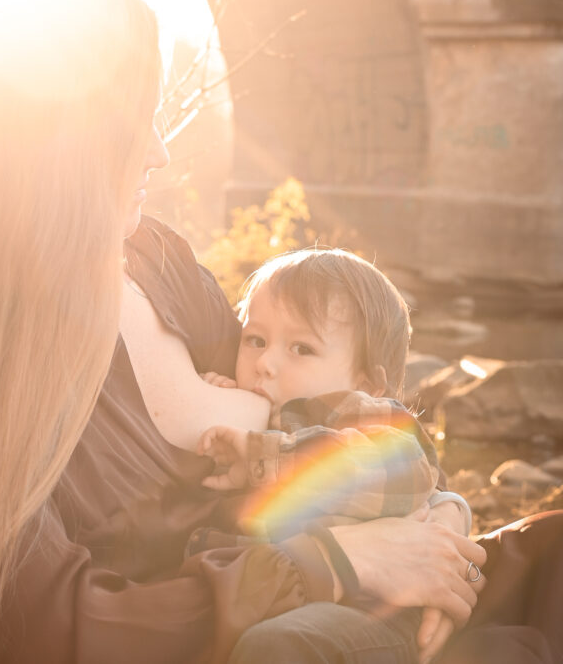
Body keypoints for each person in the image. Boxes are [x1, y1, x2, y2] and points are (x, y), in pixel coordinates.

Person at [0, 0, 554, 664]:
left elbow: (333, 412)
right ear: (55, 158)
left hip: (375, 601)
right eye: (138, 123)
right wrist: (340, 563)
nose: (160, 151)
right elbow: (38, 628)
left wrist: (444, 521)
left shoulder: (158, 262)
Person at [192, 247, 472, 663]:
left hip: (369, 609)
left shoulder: (360, 413)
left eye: (301, 349)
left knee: (283, 645)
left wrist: (266, 456)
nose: (264, 362)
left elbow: (403, 471)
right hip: (281, 592)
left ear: (367, 382)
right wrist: (209, 398)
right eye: (255, 340)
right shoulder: (252, 415)